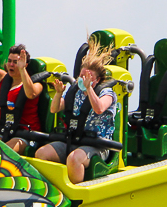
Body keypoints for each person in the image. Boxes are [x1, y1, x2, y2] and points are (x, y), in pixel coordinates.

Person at [35, 38, 116, 183]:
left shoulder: (107, 93)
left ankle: (76, 197)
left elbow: (99, 109)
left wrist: (89, 88)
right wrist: (59, 93)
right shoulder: (74, 91)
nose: (83, 79)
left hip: (97, 145)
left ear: (96, 80)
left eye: (87, 77)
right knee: (41, 153)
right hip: (73, 139)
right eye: (81, 75)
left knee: (74, 159)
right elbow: (54, 109)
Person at [0, 23, 43, 153]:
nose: (11, 64)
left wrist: (21, 70)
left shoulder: (36, 84)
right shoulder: (2, 77)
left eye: (15, 62)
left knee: (4, 152)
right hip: (3, 131)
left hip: (25, 135)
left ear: (25, 64)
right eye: (9, 61)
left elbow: (31, 93)